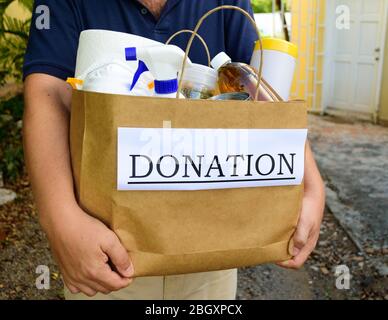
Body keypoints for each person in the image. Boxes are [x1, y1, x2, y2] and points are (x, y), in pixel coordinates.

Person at [23, 0, 325, 300]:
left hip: (211, 246)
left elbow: (263, 96)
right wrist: (60, 219)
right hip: (108, 252)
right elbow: (48, 94)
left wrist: (312, 185)